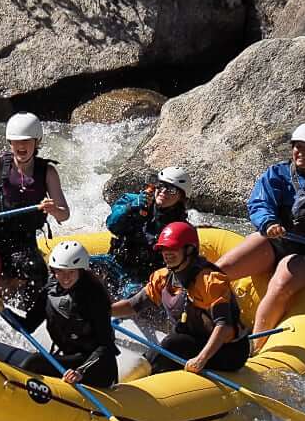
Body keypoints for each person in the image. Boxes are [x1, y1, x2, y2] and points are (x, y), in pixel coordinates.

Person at [216, 122, 305, 349]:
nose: (300, 153)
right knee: (219, 271)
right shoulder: (277, 174)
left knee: (280, 285)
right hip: (274, 241)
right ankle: (202, 325)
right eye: (297, 147)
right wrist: (269, 222)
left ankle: (253, 349)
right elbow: (259, 203)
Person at [111, 222, 249, 375]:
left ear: (189, 250)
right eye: (164, 248)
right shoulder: (162, 278)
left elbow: (224, 326)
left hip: (228, 350)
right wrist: (101, 311)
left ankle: (143, 375)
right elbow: (132, 305)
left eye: (173, 248)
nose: (167, 253)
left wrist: (200, 359)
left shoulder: (210, 281)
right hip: (194, 341)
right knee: (173, 342)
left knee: (173, 343)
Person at [0, 112, 70, 306]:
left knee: (35, 270)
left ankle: (22, 311)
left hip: (22, 241)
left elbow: (64, 214)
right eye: (16, 142)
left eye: (27, 141)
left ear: (36, 142)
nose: (21, 146)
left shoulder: (48, 172)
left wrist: (54, 209)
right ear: (10, 143)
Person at [15, 240, 118, 388]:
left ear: (80, 271)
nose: (65, 277)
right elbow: (28, 325)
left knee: (34, 362)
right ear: (53, 270)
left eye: (71, 272)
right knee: (32, 362)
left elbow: (106, 345)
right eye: (60, 272)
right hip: (70, 359)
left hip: (95, 366)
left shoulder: (95, 297)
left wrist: (80, 371)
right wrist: (2, 310)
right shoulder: (50, 291)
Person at [103, 166, 192, 290]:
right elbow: (111, 224)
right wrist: (129, 208)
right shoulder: (133, 200)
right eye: (161, 185)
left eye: (171, 189)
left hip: (145, 277)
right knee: (79, 268)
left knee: (131, 291)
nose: (163, 191)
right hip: (116, 263)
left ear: (181, 198)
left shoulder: (181, 227)